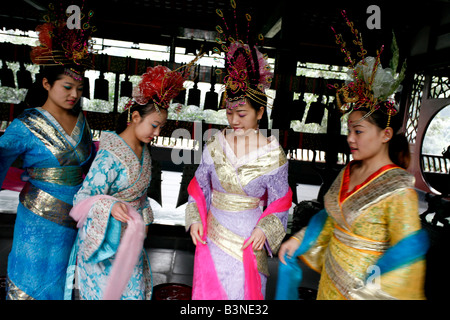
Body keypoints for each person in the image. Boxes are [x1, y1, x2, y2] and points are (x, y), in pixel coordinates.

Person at [277, 13, 429, 300]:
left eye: (358, 131)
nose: (350, 138)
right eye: (349, 130)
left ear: (386, 134)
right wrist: (299, 238)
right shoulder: (350, 170)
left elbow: (407, 250)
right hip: (331, 280)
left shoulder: (398, 188)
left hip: (364, 292)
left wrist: (368, 292)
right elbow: (332, 219)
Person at [65, 62, 199, 300]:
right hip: (105, 244)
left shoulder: (144, 152)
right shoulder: (109, 156)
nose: (157, 133)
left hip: (131, 241)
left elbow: (141, 197)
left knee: (134, 294)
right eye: (154, 125)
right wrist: (110, 205)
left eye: (161, 127)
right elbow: (82, 198)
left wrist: (144, 220)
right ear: (135, 117)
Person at [186, 4, 292, 300]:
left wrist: (266, 228)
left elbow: (281, 200)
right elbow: (199, 186)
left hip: (249, 238)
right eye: (229, 113)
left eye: (242, 114)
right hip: (213, 234)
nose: (233, 121)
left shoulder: (274, 154)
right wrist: (195, 219)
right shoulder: (215, 143)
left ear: (260, 112)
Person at [0, 4, 96, 300]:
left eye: (79, 89)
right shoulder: (24, 125)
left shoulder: (82, 122)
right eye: (67, 87)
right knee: (30, 281)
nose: (74, 95)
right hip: (38, 218)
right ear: (46, 83)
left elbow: (92, 165)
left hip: (74, 217)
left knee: (62, 281)